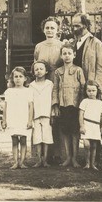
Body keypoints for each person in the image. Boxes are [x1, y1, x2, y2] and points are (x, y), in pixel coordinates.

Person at [34, 16, 63, 164]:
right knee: (43, 115)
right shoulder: (39, 46)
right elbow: (36, 64)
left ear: (57, 30)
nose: (50, 30)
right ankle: (43, 155)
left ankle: (58, 153)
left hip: (57, 80)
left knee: (56, 116)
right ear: (43, 30)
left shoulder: (62, 45)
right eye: (47, 28)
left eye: (52, 28)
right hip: (43, 83)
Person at [52, 42, 86, 167]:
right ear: (61, 56)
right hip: (63, 105)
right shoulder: (58, 72)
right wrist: (55, 105)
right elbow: (55, 89)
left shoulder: (78, 70)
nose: (67, 56)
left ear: (74, 55)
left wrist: (82, 105)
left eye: (69, 53)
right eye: (64, 53)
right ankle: (67, 158)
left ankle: (75, 159)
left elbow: (83, 88)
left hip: (76, 106)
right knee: (65, 132)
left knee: (75, 132)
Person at [2, 67, 34, 169]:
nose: (18, 79)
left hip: (23, 118)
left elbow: (30, 107)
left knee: (23, 140)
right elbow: (5, 107)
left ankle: (22, 162)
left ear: (25, 79)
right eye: (16, 76)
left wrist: (30, 120)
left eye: (20, 76)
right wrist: (4, 120)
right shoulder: (9, 91)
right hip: (13, 118)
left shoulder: (28, 91)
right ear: (12, 78)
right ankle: (15, 162)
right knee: (14, 140)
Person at [72, 13, 102, 94]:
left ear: (85, 25)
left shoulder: (96, 43)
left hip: (89, 87)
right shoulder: (73, 43)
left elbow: (101, 69)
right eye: (73, 26)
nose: (74, 29)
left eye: (77, 26)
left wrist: (98, 89)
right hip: (74, 87)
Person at [29, 60, 54, 167]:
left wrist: (52, 113)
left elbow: (53, 99)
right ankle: (39, 159)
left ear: (46, 71)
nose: (39, 71)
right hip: (36, 115)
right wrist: (30, 117)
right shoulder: (31, 85)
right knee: (37, 137)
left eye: (41, 69)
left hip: (47, 114)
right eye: (36, 69)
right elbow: (30, 102)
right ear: (33, 72)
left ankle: (45, 160)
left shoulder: (50, 84)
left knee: (47, 137)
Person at [79, 80, 102, 170]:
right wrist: (82, 125)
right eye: (89, 91)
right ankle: (87, 163)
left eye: (93, 90)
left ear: (97, 91)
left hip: (95, 126)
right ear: (86, 91)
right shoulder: (84, 101)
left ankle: (92, 164)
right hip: (87, 124)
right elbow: (81, 114)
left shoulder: (99, 102)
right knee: (87, 145)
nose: (91, 93)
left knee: (94, 145)